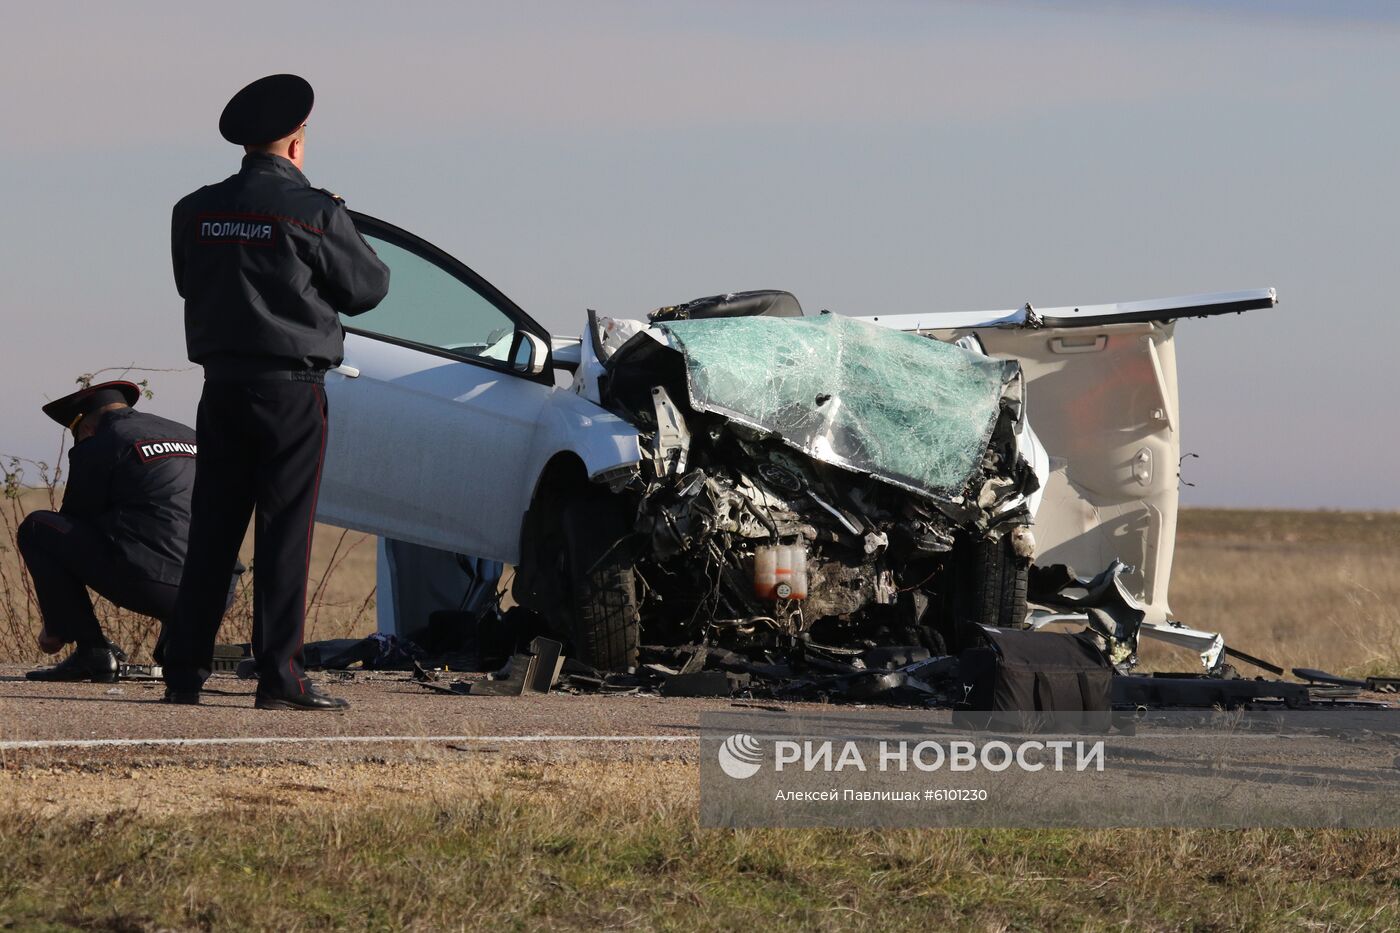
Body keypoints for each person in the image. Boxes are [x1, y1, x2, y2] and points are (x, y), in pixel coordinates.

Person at [163, 74, 390, 710]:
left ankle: (183, 671)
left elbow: (189, 284)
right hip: (291, 391)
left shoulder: (193, 208)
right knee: (283, 532)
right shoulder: (315, 211)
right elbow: (369, 288)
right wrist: (339, 219)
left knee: (211, 529)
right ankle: (279, 676)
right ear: (295, 143)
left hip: (222, 387)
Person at [20, 382, 199, 681]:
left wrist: (56, 624)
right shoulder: (189, 435)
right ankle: (179, 644)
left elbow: (73, 524)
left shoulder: (103, 441)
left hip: (156, 588)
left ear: (85, 428)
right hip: (217, 592)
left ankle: (92, 653)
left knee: (39, 528)